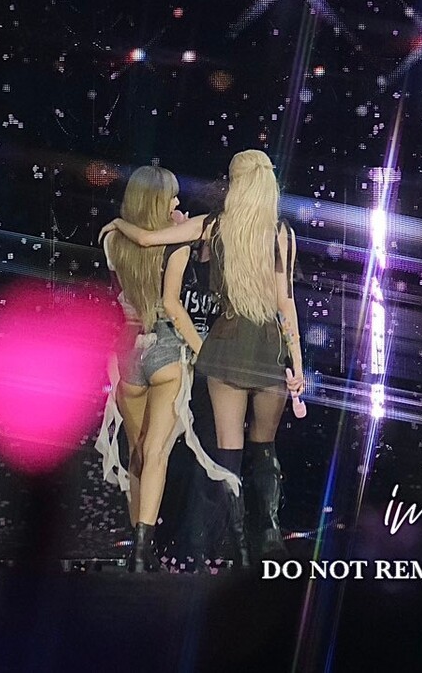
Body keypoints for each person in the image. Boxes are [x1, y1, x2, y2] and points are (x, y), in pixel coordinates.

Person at [104, 150, 308, 567]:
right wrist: (298, 364)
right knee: (263, 446)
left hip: (216, 347)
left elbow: (146, 240)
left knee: (219, 451)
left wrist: (119, 224)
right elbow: (285, 303)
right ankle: (268, 533)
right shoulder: (280, 233)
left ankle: (236, 549)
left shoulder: (213, 226)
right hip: (266, 350)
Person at [95, 166, 236, 571]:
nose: (177, 202)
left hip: (127, 347)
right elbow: (172, 306)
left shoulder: (111, 240)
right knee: (156, 452)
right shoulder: (178, 244)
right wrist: (204, 353)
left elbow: (118, 299)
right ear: (158, 200)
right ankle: (143, 551)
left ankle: (139, 552)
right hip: (166, 349)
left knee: (137, 451)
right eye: (172, 196)